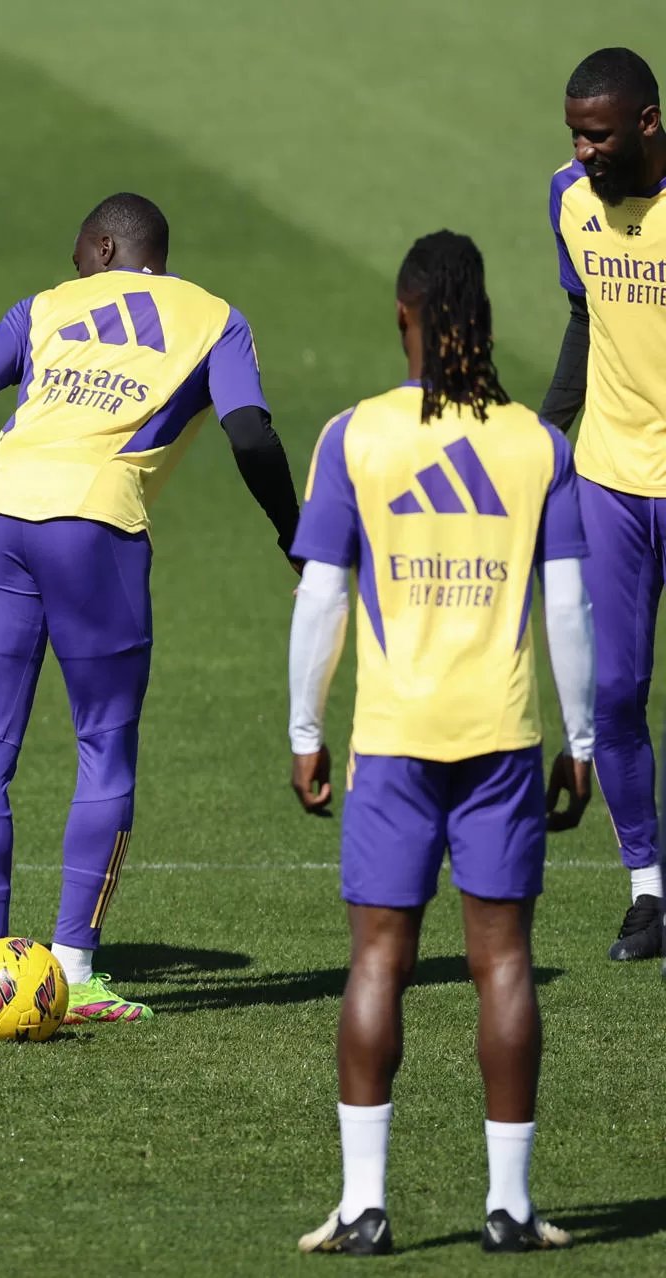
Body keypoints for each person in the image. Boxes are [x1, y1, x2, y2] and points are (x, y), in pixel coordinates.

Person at [0, 193, 300, 1024]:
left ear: (105, 247)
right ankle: (72, 971)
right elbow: (251, 435)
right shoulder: (217, 318)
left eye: (80, 251)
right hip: (96, 522)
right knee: (103, 749)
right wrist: (298, 538)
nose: (76, 265)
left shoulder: (42, 306)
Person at [291, 231, 589, 1255]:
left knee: (379, 958)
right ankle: (509, 1207)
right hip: (502, 740)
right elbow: (571, 610)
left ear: (406, 318)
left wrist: (304, 730)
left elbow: (322, 598)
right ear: (486, 321)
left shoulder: (355, 437)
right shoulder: (538, 447)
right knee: (503, 962)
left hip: (392, 739)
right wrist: (582, 739)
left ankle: (366, 1208)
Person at [539, 47, 666, 968]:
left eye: (602, 135)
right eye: (577, 134)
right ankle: (647, 892)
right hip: (612, 480)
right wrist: (545, 436)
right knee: (615, 691)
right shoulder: (568, 197)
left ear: (649, 124)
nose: (586, 152)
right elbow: (585, 318)